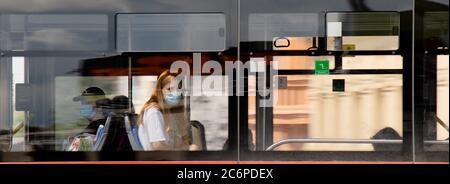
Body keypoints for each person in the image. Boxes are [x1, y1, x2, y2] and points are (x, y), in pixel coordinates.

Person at [137, 70, 197, 151]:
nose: (175, 93)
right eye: (169, 89)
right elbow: (158, 147)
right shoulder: (154, 112)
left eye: (178, 89)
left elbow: (177, 141)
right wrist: (186, 149)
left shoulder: (168, 112)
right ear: (160, 91)